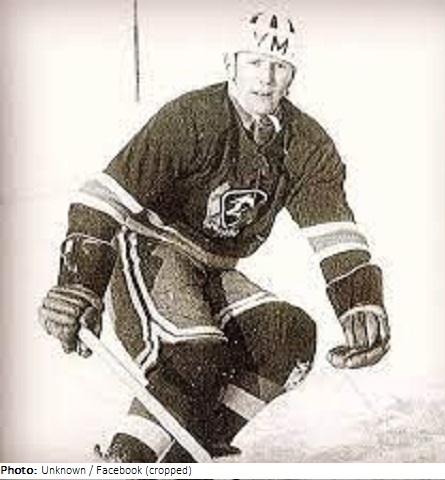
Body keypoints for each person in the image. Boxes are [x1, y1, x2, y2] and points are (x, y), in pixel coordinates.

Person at [39, 11, 390, 463]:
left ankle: (186, 457)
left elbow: (334, 230)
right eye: (254, 62)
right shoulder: (190, 117)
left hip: (214, 267)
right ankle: (128, 465)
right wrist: (79, 284)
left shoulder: (306, 143)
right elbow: (102, 198)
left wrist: (361, 302)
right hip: (151, 247)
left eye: (279, 66)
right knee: (195, 356)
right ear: (231, 64)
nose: (266, 77)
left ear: (293, 76)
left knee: (287, 336)